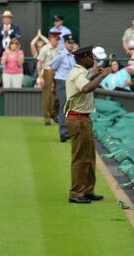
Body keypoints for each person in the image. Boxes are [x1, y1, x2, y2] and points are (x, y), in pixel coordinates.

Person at [65, 46, 112, 204]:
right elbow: (86, 88)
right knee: (80, 157)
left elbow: (86, 82)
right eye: (90, 57)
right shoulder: (77, 72)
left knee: (89, 156)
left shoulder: (81, 72)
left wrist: (94, 74)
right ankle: (77, 193)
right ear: (83, 58)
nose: (93, 60)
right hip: (78, 119)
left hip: (83, 118)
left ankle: (88, 190)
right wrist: (103, 76)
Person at [50, 34, 77, 142]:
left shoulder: (74, 56)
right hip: (62, 82)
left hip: (72, 83)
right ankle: (63, 132)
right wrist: (54, 83)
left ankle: (69, 131)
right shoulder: (61, 55)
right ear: (65, 43)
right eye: (69, 43)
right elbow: (52, 69)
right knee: (64, 106)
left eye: (72, 43)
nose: (71, 45)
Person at [37, 32, 60, 125]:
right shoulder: (45, 49)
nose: (57, 41)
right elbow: (39, 63)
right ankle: (47, 117)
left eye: (58, 39)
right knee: (47, 96)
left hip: (57, 72)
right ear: (51, 39)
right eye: (56, 39)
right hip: (47, 71)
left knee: (59, 95)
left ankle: (54, 113)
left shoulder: (59, 50)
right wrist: (40, 76)